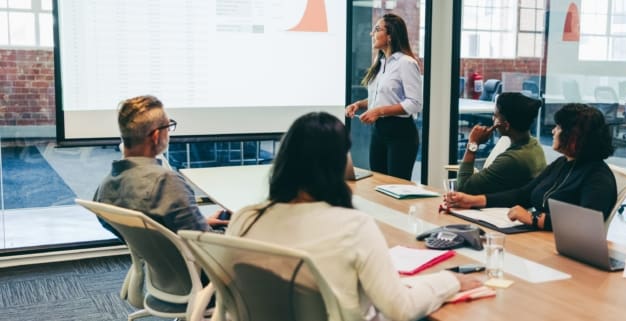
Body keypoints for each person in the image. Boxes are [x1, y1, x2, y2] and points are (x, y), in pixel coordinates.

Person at [226, 112, 481, 321]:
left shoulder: (244, 219)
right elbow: (400, 309)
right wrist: (451, 280)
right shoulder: (354, 227)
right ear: (337, 164)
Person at [445, 104, 617, 231]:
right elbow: (523, 194)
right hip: (539, 239)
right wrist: (473, 201)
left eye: (558, 128)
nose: (553, 132)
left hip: (561, 250)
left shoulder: (597, 177)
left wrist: (534, 219)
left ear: (574, 137)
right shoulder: (563, 164)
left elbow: (587, 225)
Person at [94, 95, 228, 241]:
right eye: (168, 126)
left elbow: (161, 229)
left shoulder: (104, 189)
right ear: (156, 136)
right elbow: (205, 243)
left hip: (156, 261)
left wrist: (199, 223)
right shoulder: (166, 182)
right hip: (201, 260)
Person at [345, 13, 422, 181]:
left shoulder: (406, 63)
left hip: (401, 135)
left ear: (390, 35)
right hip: (378, 132)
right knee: (378, 185)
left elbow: (415, 103)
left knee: (396, 188)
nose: (372, 34)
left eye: (377, 29)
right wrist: (359, 104)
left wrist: (378, 111)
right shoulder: (379, 62)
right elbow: (382, 96)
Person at [457, 92, 546, 195]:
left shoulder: (512, 159)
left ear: (506, 125)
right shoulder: (534, 145)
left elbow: (463, 187)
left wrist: (473, 143)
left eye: (495, 115)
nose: (493, 119)